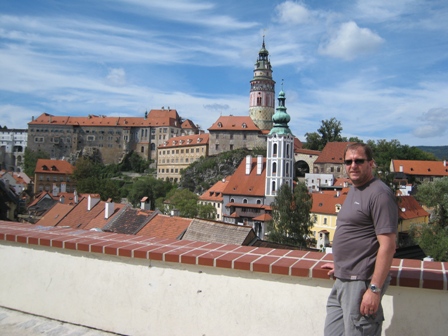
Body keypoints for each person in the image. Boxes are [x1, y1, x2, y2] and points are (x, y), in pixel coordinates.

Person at [322, 143, 397, 336]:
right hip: (344, 278)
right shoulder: (355, 188)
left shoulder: (379, 194)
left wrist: (374, 289)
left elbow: (387, 246)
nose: (353, 165)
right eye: (348, 161)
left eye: (359, 161)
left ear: (370, 163)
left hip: (361, 283)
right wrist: (342, 265)